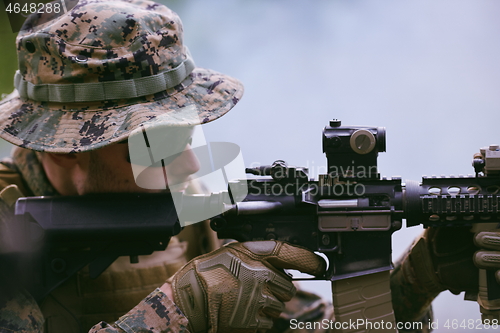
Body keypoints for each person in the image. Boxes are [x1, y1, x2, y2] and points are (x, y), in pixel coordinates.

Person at [0, 0, 499, 332]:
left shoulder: (193, 216)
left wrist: (417, 279)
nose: (190, 161)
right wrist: (178, 311)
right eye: (153, 141)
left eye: (187, 132)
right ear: (66, 145)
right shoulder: (8, 238)